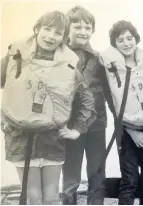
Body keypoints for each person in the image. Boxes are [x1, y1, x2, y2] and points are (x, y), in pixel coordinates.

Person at [1, 11, 95, 205]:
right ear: (37, 29)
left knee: (51, 198)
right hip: (20, 138)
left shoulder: (69, 65)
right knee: (33, 198)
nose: (51, 36)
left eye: (58, 33)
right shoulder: (15, 56)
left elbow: (87, 100)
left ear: (64, 37)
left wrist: (77, 129)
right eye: (47, 29)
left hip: (52, 140)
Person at [100, 20, 143, 205]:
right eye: (120, 40)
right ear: (114, 43)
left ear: (136, 39)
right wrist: (132, 132)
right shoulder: (111, 69)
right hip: (126, 132)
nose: (126, 43)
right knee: (129, 181)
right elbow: (112, 104)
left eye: (129, 38)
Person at [62, 6, 107, 205]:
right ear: (67, 28)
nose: (83, 31)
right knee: (71, 172)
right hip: (70, 123)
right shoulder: (59, 55)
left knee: (97, 171)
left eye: (87, 27)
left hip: (97, 122)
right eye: (77, 26)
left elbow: (109, 92)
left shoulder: (98, 59)